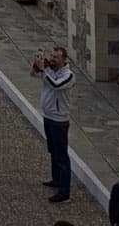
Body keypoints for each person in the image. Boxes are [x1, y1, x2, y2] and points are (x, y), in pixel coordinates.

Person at [32, 45, 74, 203]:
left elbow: (56, 85)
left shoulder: (69, 75)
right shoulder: (49, 71)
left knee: (62, 155)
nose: (53, 59)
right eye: (52, 56)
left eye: (56, 57)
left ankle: (64, 193)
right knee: (53, 151)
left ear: (64, 59)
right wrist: (38, 65)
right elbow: (34, 74)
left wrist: (44, 71)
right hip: (48, 117)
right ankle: (56, 180)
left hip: (59, 120)